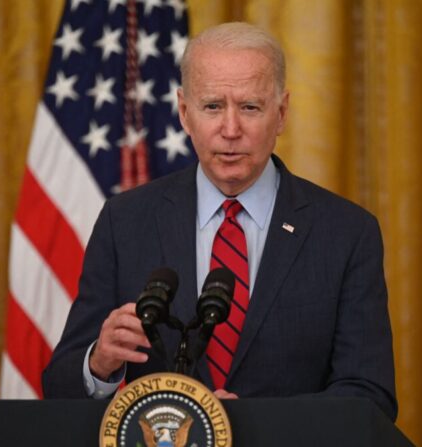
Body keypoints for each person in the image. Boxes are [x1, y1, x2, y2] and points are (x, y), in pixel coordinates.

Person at [42, 21, 397, 421]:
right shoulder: (124, 222)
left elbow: (371, 398)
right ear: (184, 112)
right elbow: (58, 387)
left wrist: (254, 423)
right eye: (213, 107)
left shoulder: (346, 233)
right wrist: (99, 364)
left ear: (280, 114)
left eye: (250, 107)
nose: (230, 130)